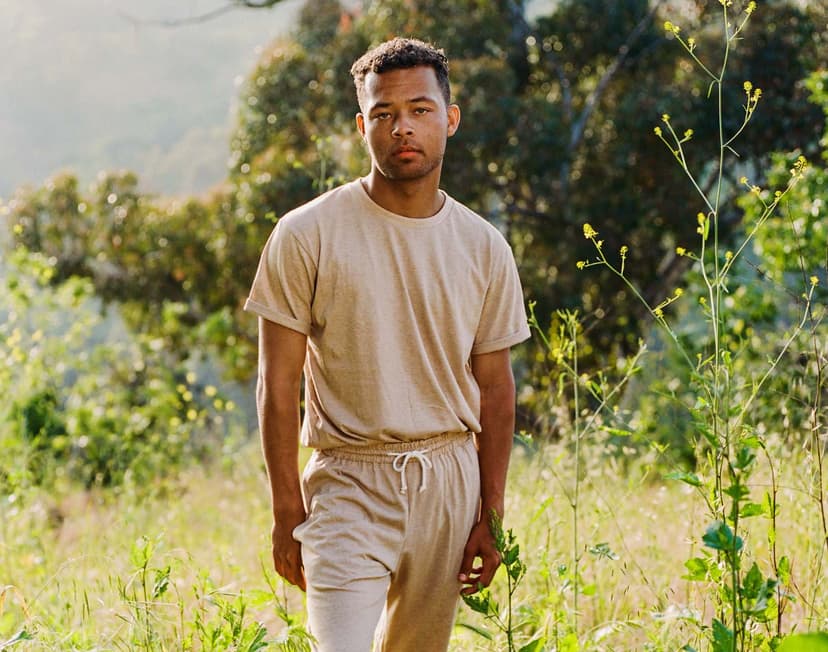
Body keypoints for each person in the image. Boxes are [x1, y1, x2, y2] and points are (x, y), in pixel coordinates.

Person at [244, 37, 530, 652]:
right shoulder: (305, 234)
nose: (403, 127)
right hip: (347, 482)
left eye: (421, 110)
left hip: (450, 483)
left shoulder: (484, 247)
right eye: (384, 113)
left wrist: (492, 514)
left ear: (450, 119)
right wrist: (285, 509)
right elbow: (278, 385)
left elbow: (497, 390)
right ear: (362, 124)